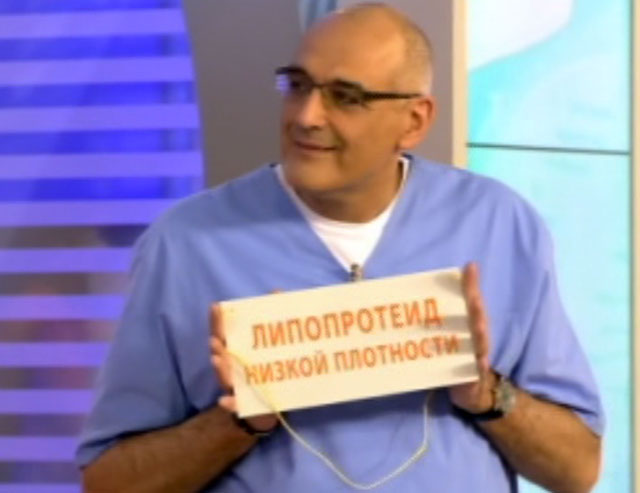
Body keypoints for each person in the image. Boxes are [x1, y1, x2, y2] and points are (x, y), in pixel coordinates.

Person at [77, 4, 604, 492]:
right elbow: (109, 481)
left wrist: (486, 394)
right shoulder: (185, 244)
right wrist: (238, 422)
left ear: (415, 121)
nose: (307, 115)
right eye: (298, 85)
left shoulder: (499, 224)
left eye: (346, 97)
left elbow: (577, 469)